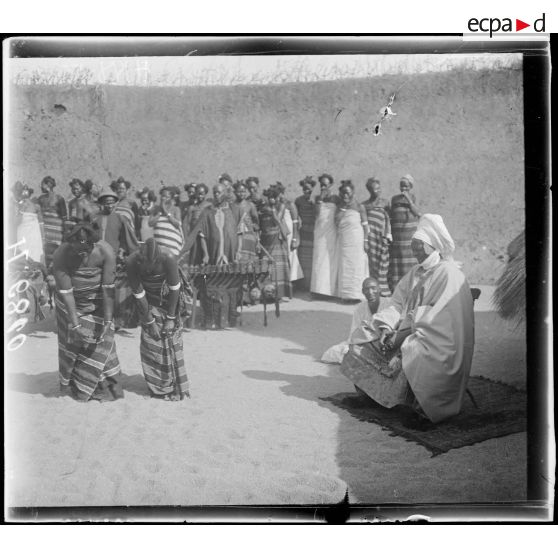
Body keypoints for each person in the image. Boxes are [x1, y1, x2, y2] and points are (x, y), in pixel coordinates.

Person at [340, 214, 475, 427]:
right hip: (403, 331)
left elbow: (440, 319)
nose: (413, 250)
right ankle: (370, 396)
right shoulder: (414, 273)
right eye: (412, 245)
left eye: (418, 245)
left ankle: (424, 412)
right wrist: (385, 328)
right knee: (362, 337)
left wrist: (402, 336)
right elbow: (396, 304)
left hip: (437, 338)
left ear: (432, 245)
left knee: (416, 351)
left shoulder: (449, 274)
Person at [52, 221, 122, 402]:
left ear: (93, 243)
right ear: (71, 243)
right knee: (74, 343)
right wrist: (75, 325)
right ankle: (78, 386)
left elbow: (108, 288)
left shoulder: (106, 251)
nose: (82, 256)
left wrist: (107, 322)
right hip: (69, 303)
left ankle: (107, 388)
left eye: (86, 250)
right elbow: (66, 293)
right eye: (78, 251)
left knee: (103, 340)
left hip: (99, 301)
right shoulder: (61, 254)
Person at [126, 238, 189, 401]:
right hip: (147, 302)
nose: (148, 266)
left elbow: (175, 289)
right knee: (151, 342)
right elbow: (139, 294)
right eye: (145, 262)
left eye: (152, 262)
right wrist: (150, 322)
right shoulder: (133, 261)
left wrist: (170, 318)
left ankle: (174, 386)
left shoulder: (168, 257)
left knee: (171, 341)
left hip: (169, 301)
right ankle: (158, 388)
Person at [93, 187, 139, 329]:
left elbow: (128, 239)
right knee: (96, 288)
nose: (110, 205)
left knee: (112, 289)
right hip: (95, 258)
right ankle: (98, 318)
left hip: (113, 259)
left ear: (116, 203)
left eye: (112, 202)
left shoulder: (120, 218)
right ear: (101, 203)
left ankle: (115, 321)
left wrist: (123, 251)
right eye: (107, 202)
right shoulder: (95, 218)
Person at [321, 276, 382, 364]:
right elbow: (355, 332)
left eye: (373, 288)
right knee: (333, 352)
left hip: (385, 342)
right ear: (362, 292)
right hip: (366, 342)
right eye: (366, 289)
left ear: (379, 289)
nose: (370, 292)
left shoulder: (389, 304)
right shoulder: (360, 309)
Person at [335, 180, 369, 301]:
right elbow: (336, 222)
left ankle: (356, 295)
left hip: (357, 240)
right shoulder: (339, 207)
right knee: (345, 266)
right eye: (343, 193)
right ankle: (346, 295)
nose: (345, 195)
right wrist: (343, 208)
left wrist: (365, 241)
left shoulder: (360, 207)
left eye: (348, 193)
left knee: (356, 266)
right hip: (345, 241)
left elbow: (365, 226)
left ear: (353, 193)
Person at [388, 174, 421, 292]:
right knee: (398, 260)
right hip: (398, 235)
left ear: (410, 186)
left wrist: (408, 199)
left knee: (409, 259)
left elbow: (418, 213)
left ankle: (411, 287)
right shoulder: (394, 199)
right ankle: (398, 288)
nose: (403, 188)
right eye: (402, 186)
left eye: (406, 186)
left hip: (409, 234)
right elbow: (392, 215)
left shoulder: (413, 197)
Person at [258, 185, 291, 300]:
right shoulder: (262, 208)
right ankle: (266, 294)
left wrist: (271, 210)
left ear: (277, 198)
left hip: (277, 239)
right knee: (266, 267)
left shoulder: (280, 206)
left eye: (274, 197)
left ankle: (279, 294)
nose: (272, 199)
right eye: (269, 197)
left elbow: (277, 219)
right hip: (266, 239)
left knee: (278, 267)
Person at [310, 173, 339, 298]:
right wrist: (320, 199)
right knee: (318, 259)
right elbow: (316, 214)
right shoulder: (317, 198)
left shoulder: (336, 199)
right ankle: (317, 290)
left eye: (325, 185)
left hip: (331, 232)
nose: (323, 187)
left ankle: (329, 292)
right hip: (319, 233)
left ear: (331, 185)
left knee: (330, 261)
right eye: (321, 185)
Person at [363, 177, 392, 297]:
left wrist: (388, 235)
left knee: (383, 262)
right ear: (370, 190)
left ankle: (384, 290)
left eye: (379, 188)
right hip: (371, 237)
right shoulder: (365, 205)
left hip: (382, 237)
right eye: (375, 189)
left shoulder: (385, 203)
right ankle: (374, 290)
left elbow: (388, 219)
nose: (378, 191)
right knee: (372, 263)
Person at [197, 183, 238, 265]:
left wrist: (239, 252)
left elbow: (240, 233)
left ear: (225, 193)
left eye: (219, 192)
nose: (216, 195)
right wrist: (206, 254)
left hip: (231, 255)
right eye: (214, 192)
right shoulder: (207, 212)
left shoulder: (234, 210)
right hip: (213, 254)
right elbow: (202, 236)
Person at [36, 175, 67, 269]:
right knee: (45, 251)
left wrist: (65, 233)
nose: (41, 187)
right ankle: (47, 273)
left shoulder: (59, 199)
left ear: (49, 185)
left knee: (56, 252)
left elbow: (64, 217)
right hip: (45, 231)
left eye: (43, 184)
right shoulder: (40, 199)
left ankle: (56, 273)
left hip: (57, 231)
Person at [275, 183, 303, 286]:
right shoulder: (276, 205)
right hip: (281, 233)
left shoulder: (290, 204)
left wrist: (295, 238)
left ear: (283, 193)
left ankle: (293, 282)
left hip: (290, 234)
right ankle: (284, 281)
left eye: (279, 194)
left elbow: (295, 222)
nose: (278, 197)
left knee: (291, 256)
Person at [12, 181, 44, 264]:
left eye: (27, 191)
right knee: (23, 249)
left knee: (33, 250)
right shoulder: (19, 205)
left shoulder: (36, 206)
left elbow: (41, 223)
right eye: (23, 191)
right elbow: (16, 222)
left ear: (30, 193)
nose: (25, 193)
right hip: (22, 231)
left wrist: (43, 237)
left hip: (33, 232)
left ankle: (34, 268)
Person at [295, 176, 317, 291]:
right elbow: (296, 216)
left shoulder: (316, 200)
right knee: (303, 259)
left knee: (312, 259)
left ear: (313, 188)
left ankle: (311, 285)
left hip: (314, 232)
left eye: (309, 189)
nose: (306, 191)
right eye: (304, 189)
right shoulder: (298, 200)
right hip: (303, 231)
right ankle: (303, 285)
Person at [181, 183, 211, 265]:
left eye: (202, 194)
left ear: (205, 194)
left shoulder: (209, 206)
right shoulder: (192, 208)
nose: (200, 196)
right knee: (195, 259)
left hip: (206, 237)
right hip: (194, 237)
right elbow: (186, 223)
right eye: (198, 194)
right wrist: (186, 237)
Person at [150, 186, 184, 257]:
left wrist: (165, 211)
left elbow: (177, 224)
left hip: (171, 246)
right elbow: (150, 223)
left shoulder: (175, 209)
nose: (163, 198)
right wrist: (159, 213)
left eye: (166, 197)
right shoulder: (155, 209)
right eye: (162, 196)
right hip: (159, 245)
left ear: (171, 198)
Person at [231, 180, 260, 261]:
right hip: (235, 236)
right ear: (234, 192)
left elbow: (256, 223)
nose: (242, 194)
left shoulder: (250, 205)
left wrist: (257, 240)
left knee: (248, 261)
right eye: (239, 192)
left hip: (249, 236)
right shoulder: (231, 206)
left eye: (244, 192)